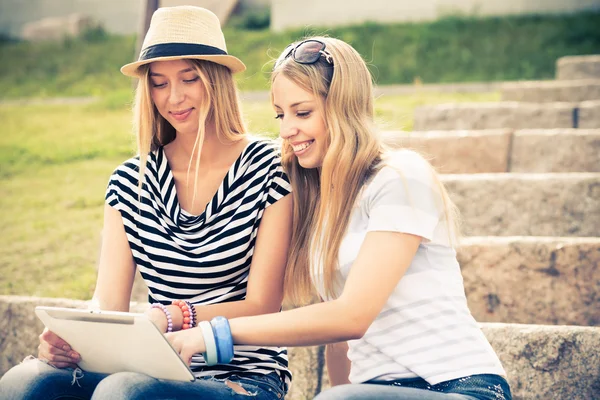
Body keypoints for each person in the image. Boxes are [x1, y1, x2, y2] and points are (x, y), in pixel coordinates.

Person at [164, 37, 513, 400]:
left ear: (343, 108)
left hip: (459, 387)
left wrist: (212, 333)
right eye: (280, 115)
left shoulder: (400, 176)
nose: (286, 131)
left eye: (302, 113)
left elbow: (351, 317)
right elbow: (340, 341)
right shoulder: (322, 202)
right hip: (373, 392)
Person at [0, 6, 292, 400]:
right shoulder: (129, 182)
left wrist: (174, 315)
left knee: (125, 391)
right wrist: (69, 340)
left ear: (217, 80)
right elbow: (110, 305)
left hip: (244, 376)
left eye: (189, 78)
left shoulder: (269, 167)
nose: (173, 97)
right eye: (158, 83)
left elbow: (263, 304)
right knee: (25, 383)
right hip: (153, 365)